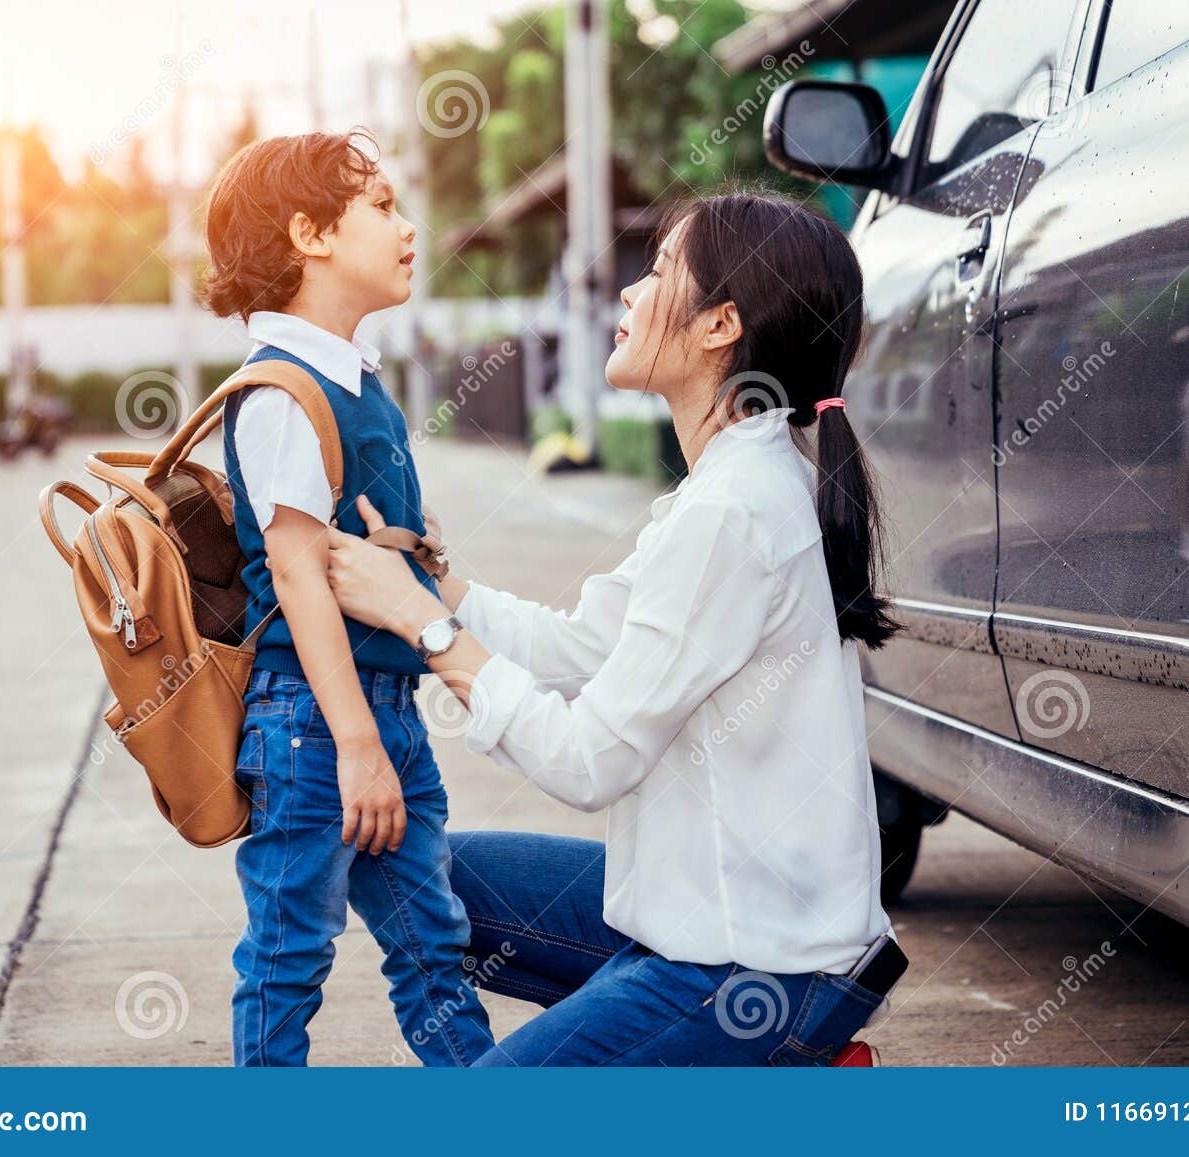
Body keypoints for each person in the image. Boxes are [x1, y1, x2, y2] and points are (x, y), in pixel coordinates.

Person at [327, 190, 905, 1065]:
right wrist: (435, 587)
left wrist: (423, 627)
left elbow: (589, 760)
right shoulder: (728, 487)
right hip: (689, 914)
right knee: (403, 862)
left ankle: (772, 1061)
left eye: (661, 272)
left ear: (721, 327)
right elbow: (585, 647)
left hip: (755, 968)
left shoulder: (733, 512)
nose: (630, 295)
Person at [201, 129, 493, 1067]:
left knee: (435, 948)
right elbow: (297, 574)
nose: (409, 226)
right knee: (289, 957)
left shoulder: (352, 381)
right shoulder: (283, 390)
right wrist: (360, 748)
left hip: (383, 717)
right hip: (316, 729)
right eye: (381, 206)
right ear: (309, 235)